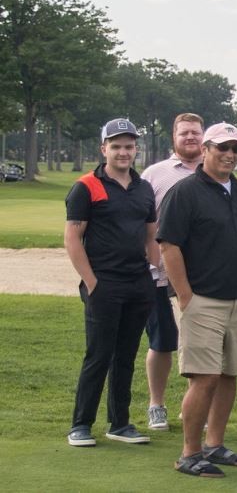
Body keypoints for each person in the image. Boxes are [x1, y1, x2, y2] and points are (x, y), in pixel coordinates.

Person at [158, 122, 237, 478]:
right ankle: (190, 452)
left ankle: (214, 443)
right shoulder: (185, 192)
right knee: (205, 377)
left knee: (228, 375)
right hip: (201, 298)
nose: (229, 155)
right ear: (206, 150)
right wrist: (185, 296)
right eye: (222, 148)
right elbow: (169, 245)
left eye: (235, 149)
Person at [64, 118, 158, 448]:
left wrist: (156, 274)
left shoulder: (144, 187)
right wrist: (92, 283)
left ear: (136, 149)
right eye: (116, 146)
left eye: (129, 146)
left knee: (126, 355)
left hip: (138, 283)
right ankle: (81, 424)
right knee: (99, 354)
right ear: (103, 148)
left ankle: (119, 423)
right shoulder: (86, 186)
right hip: (103, 284)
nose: (123, 152)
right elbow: (73, 239)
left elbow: (151, 237)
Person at [141, 112, 205, 432]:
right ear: (174, 137)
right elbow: (143, 222)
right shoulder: (155, 174)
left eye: (195, 132)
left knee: (199, 347)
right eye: (184, 133)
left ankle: (192, 408)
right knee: (162, 342)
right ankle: (157, 404)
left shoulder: (215, 172)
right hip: (160, 275)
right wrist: (152, 262)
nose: (190, 137)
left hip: (204, 276)